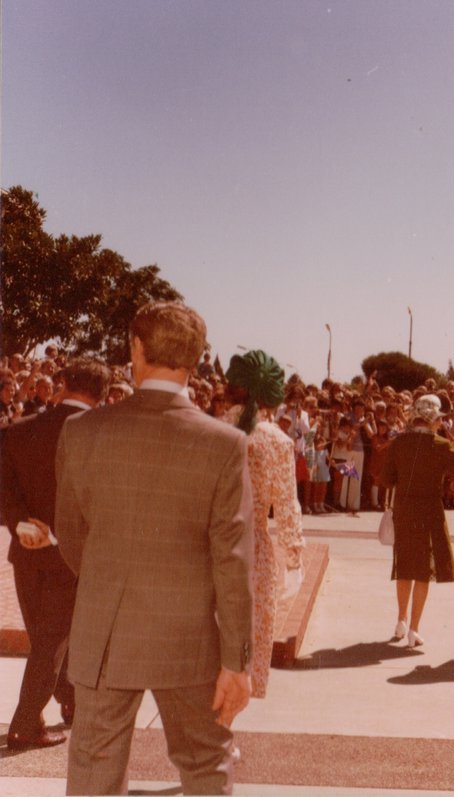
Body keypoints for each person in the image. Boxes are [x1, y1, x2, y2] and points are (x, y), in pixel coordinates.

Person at [54, 302, 254, 795]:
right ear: (196, 358)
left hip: (105, 632)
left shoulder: (82, 432)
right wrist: (237, 661)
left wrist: (109, 576)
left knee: (94, 771)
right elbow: (233, 563)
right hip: (189, 638)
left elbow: (72, 535)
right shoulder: (224, 444)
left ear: (135, 349)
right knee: (207, 765)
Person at [1, 358, 111, 750]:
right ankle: (25, 724)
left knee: (47, 638)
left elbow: (5, 488)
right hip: (73, 554)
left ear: (62, 384)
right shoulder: (102, 435)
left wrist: (22, 525)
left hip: (26, 552)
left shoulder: (19, 430)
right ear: (101, 395)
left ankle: (70, 699)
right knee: (53, 641)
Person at [224, 350, 305, 699]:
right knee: (247, 654)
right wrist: (293, 554)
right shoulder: (276, 441)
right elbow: (286, 508)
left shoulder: (209, 430)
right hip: (252, 550)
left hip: (206, 548)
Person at [380, 394, 454, 647]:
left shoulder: (399, 443)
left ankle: (400, 620)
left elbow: (386, 479)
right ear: (433, 419)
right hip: (429, 511)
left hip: (404, 509)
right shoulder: (441, 444)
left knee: (403, 565)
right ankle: (414, 629)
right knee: (423, 570)